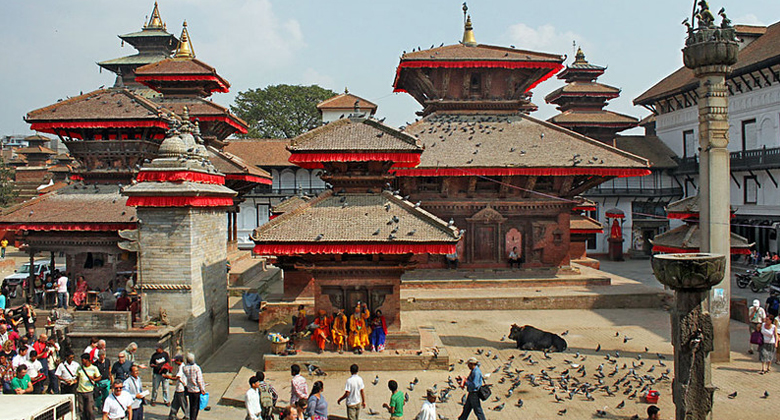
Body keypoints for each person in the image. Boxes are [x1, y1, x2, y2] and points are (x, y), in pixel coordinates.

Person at [76, 353, 101, 420]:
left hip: (89, 391)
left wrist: (94, 379)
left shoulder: (94, 368)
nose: (82, 361)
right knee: (81, 410)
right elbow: (77, 378)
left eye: (83, 360)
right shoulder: (80, 368)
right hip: (80, 391)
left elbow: (99, 377)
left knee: (89, 410)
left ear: (87, 360)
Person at [182, 353, 206, 420]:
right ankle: (193, 418)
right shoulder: (196, 368)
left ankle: (191, 417)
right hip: (196, 390)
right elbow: (199, 380)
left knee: (191, 405)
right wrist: (202, 389)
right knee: (196, 406)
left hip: (189, 389)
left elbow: (184, 378)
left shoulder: (185, 368)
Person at [165, 355, 188, 420]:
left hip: (181, 389)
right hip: (178, 389)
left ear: (179, 361)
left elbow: (177, 378)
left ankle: (187, 416)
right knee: (175, 403)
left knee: (183, 404)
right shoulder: (180, 367)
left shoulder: (182, 367)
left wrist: (169, 377)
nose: (175, 363)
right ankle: (172, 416)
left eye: (175, 361)